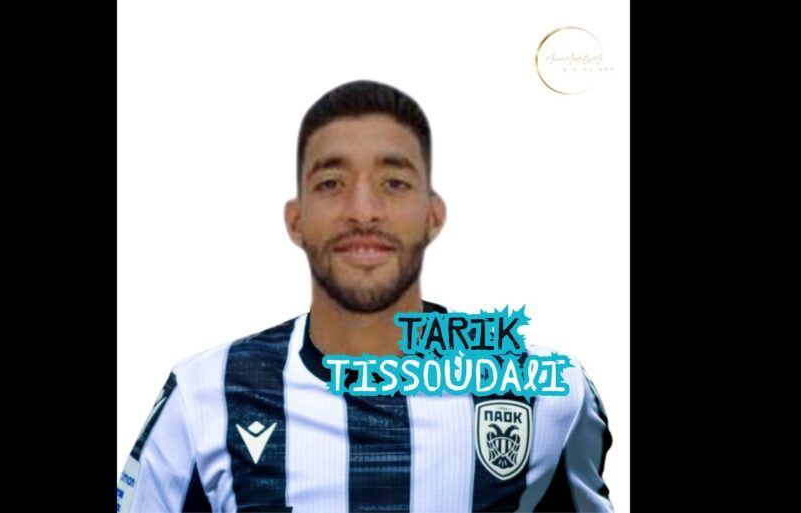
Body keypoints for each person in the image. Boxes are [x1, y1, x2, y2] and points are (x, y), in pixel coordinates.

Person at [117, 80, 613, 512]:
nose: (362, 210)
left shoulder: (544, 390)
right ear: (296, 219)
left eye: (393, 183)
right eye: (331, 183)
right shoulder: (205, 396)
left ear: (433, 215)